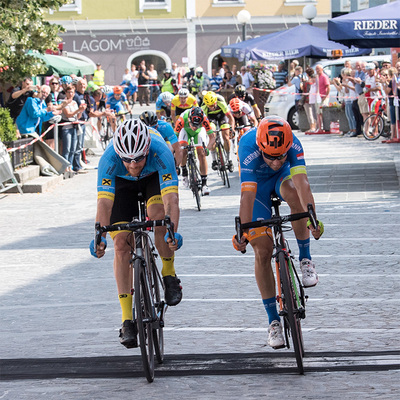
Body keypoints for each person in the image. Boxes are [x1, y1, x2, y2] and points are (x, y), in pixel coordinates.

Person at [90, 117, 183, 348]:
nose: (133, 165)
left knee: (159, 219)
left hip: (152, 179)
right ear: (119, 154)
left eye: (138, 159)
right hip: (121, 186)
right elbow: (104, 204)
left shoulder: (160, 150)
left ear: (147, 150)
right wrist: (99, 236)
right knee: (121, 244)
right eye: (127, 160)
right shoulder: (109, 159)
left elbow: (171, 199)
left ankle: (169, 273)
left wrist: (172, 230)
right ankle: (127, 319)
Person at [232, 116, 323, 349]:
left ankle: (305, 259)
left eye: (281, 156)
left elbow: (303, 184)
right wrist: (242, 231)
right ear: (261, 147)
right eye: (270, 156)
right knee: (262, 251)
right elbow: (247, 195)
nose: (275, 161)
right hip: (258, 190)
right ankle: (273, 322)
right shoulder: (247, 145)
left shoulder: (293, 143)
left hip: (282, 180)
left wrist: (312, 218)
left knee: (294, 192)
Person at [175, 107, 215, 195]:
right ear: (189, 119)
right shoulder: (182, 119)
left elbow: (212, 137)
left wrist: (207, 148)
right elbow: (174, 138)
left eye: (197, 125)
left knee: (201, 153)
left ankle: (204, 185)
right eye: (192, 124)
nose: (194, 127)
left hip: (199, 132)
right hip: (184, 131)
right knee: (183, 149)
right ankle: (184, 171)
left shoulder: (204, 119)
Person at [202, 91, 235, 173]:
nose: (212, 108)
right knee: (212, 136)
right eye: (209, 106)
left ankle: (229, 159)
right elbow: (204, 123)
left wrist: (232, 129)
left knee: (226, 137)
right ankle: (214, 160)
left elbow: (230, 118)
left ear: (216, 102)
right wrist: (208, 133)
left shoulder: (221, 101)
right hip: (211, 118)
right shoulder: (203, 106)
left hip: (221, 116)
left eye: (213, 105)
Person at [59, 85, 86, 174]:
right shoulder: (64, 102)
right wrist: (78, 110)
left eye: (72, 92)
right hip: (67, 127)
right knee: (66, 148)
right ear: (66, 93)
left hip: (74, 126)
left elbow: (77, 116)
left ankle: (70, 166)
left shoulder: (74, 102)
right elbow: (68, 114)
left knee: (73, 148)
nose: (70, 94)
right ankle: (65, 167)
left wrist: (80, 111)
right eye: (69, 92)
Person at [333, 68, 357, 136]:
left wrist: (341, 84)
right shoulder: (346, 82)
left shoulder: (349, 82)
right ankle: (351, 129)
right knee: (348, 116)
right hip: (346, 100)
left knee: (351, 116)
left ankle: (354, 129)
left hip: (349, 100)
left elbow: (345, 91)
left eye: (344, 75)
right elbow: (341, 89)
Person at [348, 61, 366, 137]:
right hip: (359, 95)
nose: (358, 67)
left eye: (359, 66)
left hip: (363, 94)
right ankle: (358, 131)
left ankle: (363, 130)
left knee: (362, 114)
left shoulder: (363, 73)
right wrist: (353, 81)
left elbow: (363, 83)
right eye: (357, 66)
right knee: (357, 115)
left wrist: (358, 81)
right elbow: (356, 84)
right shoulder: (357, 73)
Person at [382, 66, 400, 143]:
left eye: (387, 75)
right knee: (393, 119)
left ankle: (394, 136)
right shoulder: (393, 81)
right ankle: (393, 135)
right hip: (392, 101)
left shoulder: (394, 80)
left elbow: (387, 91)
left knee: (394, 119)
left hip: (394, 101)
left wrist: (383, 82)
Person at [315, 64, 330, 132]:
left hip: (323, 97)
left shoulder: (324, 77)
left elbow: (328, 87)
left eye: (318, 69)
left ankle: (326, 127)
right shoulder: (317, 77)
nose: (317, 70)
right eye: (316, 69)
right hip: (318, 97)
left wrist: (326, 96)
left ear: (322, 69)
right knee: (318, 113)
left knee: (323, 113)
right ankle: (320, 128)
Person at [303, 68, 317, 133]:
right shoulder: (312, 81)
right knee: (313, 113)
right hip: (312, 99)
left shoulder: (308, 82)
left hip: (308, 99)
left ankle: (312, 127)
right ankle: (314, 127)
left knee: (310, 114)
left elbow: (306, 90)